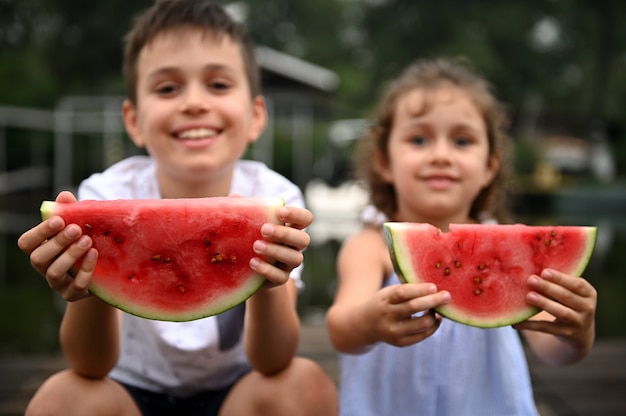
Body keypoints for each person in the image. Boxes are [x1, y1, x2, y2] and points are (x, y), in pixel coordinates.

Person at [17, 1, 338, 415]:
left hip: (237, 395)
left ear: (256, 115)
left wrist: (269, 283)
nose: (193, 103)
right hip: (130, 393)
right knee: (64, 396)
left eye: (218, 85)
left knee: (302, 384)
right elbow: (89, 366)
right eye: (167, 88)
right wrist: (88, 288)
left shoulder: (275, 198)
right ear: (133, 121)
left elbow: (273, 361)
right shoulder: (104, 192)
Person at [325, 57, 597, 415]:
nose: (441, 155)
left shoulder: (511, 252)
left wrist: (576, 333)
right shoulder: (370, 245)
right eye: (419, 139)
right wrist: (368, 323)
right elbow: (340, 329)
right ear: (384, 162)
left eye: (462, 141)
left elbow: (554, 350)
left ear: (490, 166)